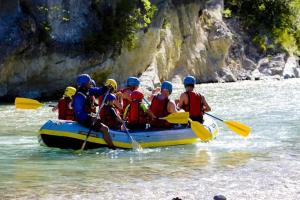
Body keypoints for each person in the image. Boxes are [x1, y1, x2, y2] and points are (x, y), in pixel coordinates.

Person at [72, 74, 115, 149]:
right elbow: (79, 113)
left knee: (100, 120)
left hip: (87, 116)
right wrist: (90, 117)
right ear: (84, 84)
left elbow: (99, 91)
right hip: (83, 119)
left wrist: (106, 87)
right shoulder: (79, 96)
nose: (90, 83)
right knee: (105, 129)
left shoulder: (88, 91)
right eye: (89, 82)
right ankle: (112, 148)